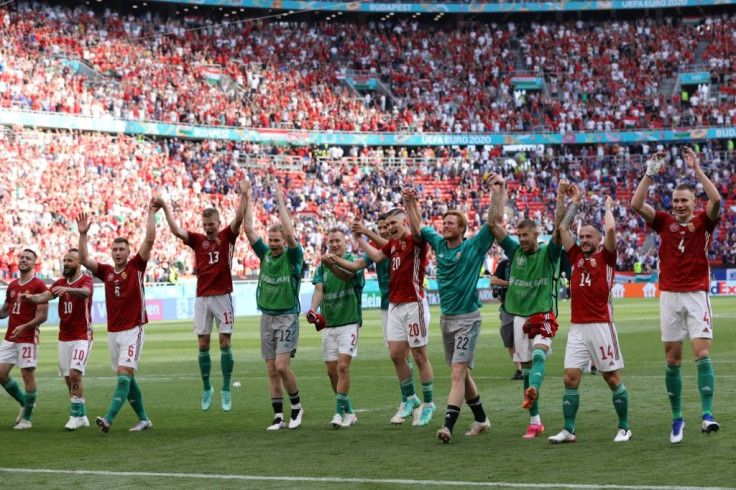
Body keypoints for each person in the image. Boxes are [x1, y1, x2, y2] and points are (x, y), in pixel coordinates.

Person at [631, 147, 722, 444]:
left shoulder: (703, 222)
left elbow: (717, 199)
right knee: (672, 360)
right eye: (676, 201)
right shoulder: (663, 221)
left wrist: (696, 169)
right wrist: (650, 173)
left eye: (685, 201)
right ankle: (677, 418)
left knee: (702, 353)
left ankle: (707, 415)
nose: (680, 205)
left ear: (695, 202)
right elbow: (636, 203)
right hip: (669, 295)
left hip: (696, 294)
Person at [403, 183, 499, 444]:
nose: (444, 226)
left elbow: (493, 223)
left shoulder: (473, 247)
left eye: (450, 223)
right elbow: (419, 229)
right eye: (444, 222)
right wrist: (410, 203)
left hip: (468, 319)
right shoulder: (439, 244)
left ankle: (448, 425)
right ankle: (481, 418)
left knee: (457, 373)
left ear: (462, 229)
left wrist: (496, 192)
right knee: (462, 373)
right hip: (447, 320)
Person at [331, 207, 435, 427]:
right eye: (386, 226)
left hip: (413, 303)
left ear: (405, 222)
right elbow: (377, 256)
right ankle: (410, 398)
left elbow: (416, 228)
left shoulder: (415, 240)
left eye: (392, 224)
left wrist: (411, 203)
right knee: (396, 354)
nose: (389, 229)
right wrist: (359, 238)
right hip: (394, 305)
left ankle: (428, 404)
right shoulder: (393, 244)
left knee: (419, 356)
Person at [548, 187, 631, 444]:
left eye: (588, 236)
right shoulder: (574, 257)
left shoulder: (607, 256)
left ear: (597, 240)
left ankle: (624, 427)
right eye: (581, 236)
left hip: (601, 326)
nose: (583, 239)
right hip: (577, 328)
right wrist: (574, 202)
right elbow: (563, 229)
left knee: (611, 377)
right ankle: (569, 430)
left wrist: (607, 208)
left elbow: (611, 231)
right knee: (570, 378)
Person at [156, 181, 247, 412]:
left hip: (223, 295)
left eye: (211, 224)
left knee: (225, 342)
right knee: (203, 344)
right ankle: (208, 387)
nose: (208, 228)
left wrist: (244, 194)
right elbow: (177, 231)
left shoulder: (227, 236)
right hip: (202, 297)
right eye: (205, 225)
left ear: (218, 223)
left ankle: (226, 387)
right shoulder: (197, 240)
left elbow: (238, 219)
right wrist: (166, 207)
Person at [488, 178, 563, 439]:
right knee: (527, 367)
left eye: (525, 236)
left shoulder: (548, 253)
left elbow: (559, 230)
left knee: (540, 356)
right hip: (518, 316)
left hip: (541, 313)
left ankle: (534, 390)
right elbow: (492, 225)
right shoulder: (514, 252)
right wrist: (495, 193)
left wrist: (563, 198)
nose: (521, 240)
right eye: (518, 236)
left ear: (535, 235)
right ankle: (535, 421)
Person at [77, 200, 159, 433]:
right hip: (113, 332)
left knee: (123, 376)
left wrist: (150, 212)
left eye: (122, 249)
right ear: (111, 252)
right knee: (127, 378)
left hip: (133, 329)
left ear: (128, 252)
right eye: (115, 249)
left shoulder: (136, 267)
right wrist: (83, 235)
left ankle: (109, 419)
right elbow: (84, 259)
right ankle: (144, 419)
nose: (118, 252)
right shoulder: (107, 272)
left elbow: (149, 239)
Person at [243, 180, 305, 431]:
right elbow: (248, 229)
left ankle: (298, 408)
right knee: (271, 370)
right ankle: (278, 416)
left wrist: (280, 201)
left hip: (287, 317)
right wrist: (246, 197)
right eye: (272, 239)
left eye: (277, 240)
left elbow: (290, 235)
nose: (274, 243)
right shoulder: (266, 254)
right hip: (266, 317)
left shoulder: (293, 256)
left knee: (281, 366)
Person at [350, 217, 416, 425]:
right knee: (397, 356)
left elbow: (384, 248)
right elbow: (359, 264)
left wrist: (367, 234)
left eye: (385, 227)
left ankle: (410, 400)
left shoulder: (400, 244)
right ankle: (410, 400)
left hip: (407, 302)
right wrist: (335, 262)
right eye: (380, 228)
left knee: (406, 354)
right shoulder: (379, 248)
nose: (384, 231)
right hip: (388, 305)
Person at [21, 249, 94, 430]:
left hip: (82, 335)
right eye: (64, 260)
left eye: (70, 260)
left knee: (76, 374)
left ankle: (74, 416)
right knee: (69, 378)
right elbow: (44, 296)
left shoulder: (86, 280)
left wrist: (68, 289)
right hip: (64, 336)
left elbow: (85, 293)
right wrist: (30, 298)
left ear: (79, 264)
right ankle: (82, 414)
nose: (66, 263)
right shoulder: (60, 282)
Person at [310, 228, 365, 428]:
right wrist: (313, 309)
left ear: (345, 242)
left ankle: (338, 412)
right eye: (330, 241)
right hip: (329, 323)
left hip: (349, 322)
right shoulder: (322, 266)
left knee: (343, 367)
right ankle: (349, 411)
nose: (334, 244)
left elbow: (346, 276)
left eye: (337, 241)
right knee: (331, 371)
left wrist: (331, 265)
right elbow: (318, 289)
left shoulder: (353, 261)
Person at [0, 249, 48, 429]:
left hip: (27, 336)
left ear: (34, 263)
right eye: (21, 257)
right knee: (1, 373)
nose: (23, 260)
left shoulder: (39, 286)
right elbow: (5, 311)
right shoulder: (12, 286)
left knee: (27, 374)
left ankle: (26, 419)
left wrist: (24, 327)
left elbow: (43, 316)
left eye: (28, 258)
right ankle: (24, 402)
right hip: (11, 336)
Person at [492, 255, 522, 380]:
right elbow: (493, 280)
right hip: (507, 307)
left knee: (525, 339)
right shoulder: (504, 264)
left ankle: (527, 367)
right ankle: (519, 369)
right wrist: (511, 284)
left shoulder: (525, 264)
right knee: (509, 340)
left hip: (525, 307)